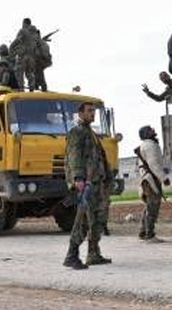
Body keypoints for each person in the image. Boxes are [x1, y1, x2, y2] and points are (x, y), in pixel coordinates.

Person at [63, 101, 113, 270]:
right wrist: (78, 178)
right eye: (89, 111)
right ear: (80, 113)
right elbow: (74, 155)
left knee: (99, 218)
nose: (93, 113)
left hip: (97, 183)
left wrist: (108, 177)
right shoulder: (76, 132)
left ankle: (93, 253)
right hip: (86, 183)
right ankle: (71, 255)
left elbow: (99, 158)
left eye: (94, 111)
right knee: (83, 220)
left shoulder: (91, 133)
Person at [135, 125, 170, 243]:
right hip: (151, 180)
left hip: (147, 179)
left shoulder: (146, 145)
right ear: (146, 134)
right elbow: (154, 164)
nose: (153, 131)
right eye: (150, 130)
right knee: (152, 208)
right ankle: (149, 234)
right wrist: (163, 178)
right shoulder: (151, 146)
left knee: (149, 207)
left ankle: (143, 232)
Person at [10, 18, 40, 91]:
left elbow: (17, 40)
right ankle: (31, 88)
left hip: (23, 56)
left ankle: (21, 89)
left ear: (24, 23)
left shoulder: (22, 31)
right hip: (32, 57)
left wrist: (11, 47)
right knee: (29, 72)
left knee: (19, 73)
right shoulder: (35, 33)